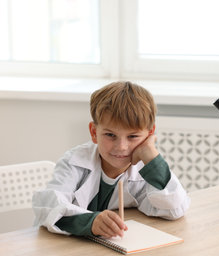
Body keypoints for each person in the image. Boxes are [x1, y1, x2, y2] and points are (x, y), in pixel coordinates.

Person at [32, 81, 191, 238]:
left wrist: (152, 156)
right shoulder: (74, 162)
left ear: (150, 134)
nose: (121, 147)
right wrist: (91, 222)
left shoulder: (147, 168)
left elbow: (175, 208)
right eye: (110, 135)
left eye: (133, 136)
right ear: (94, 132)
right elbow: (48, 207)